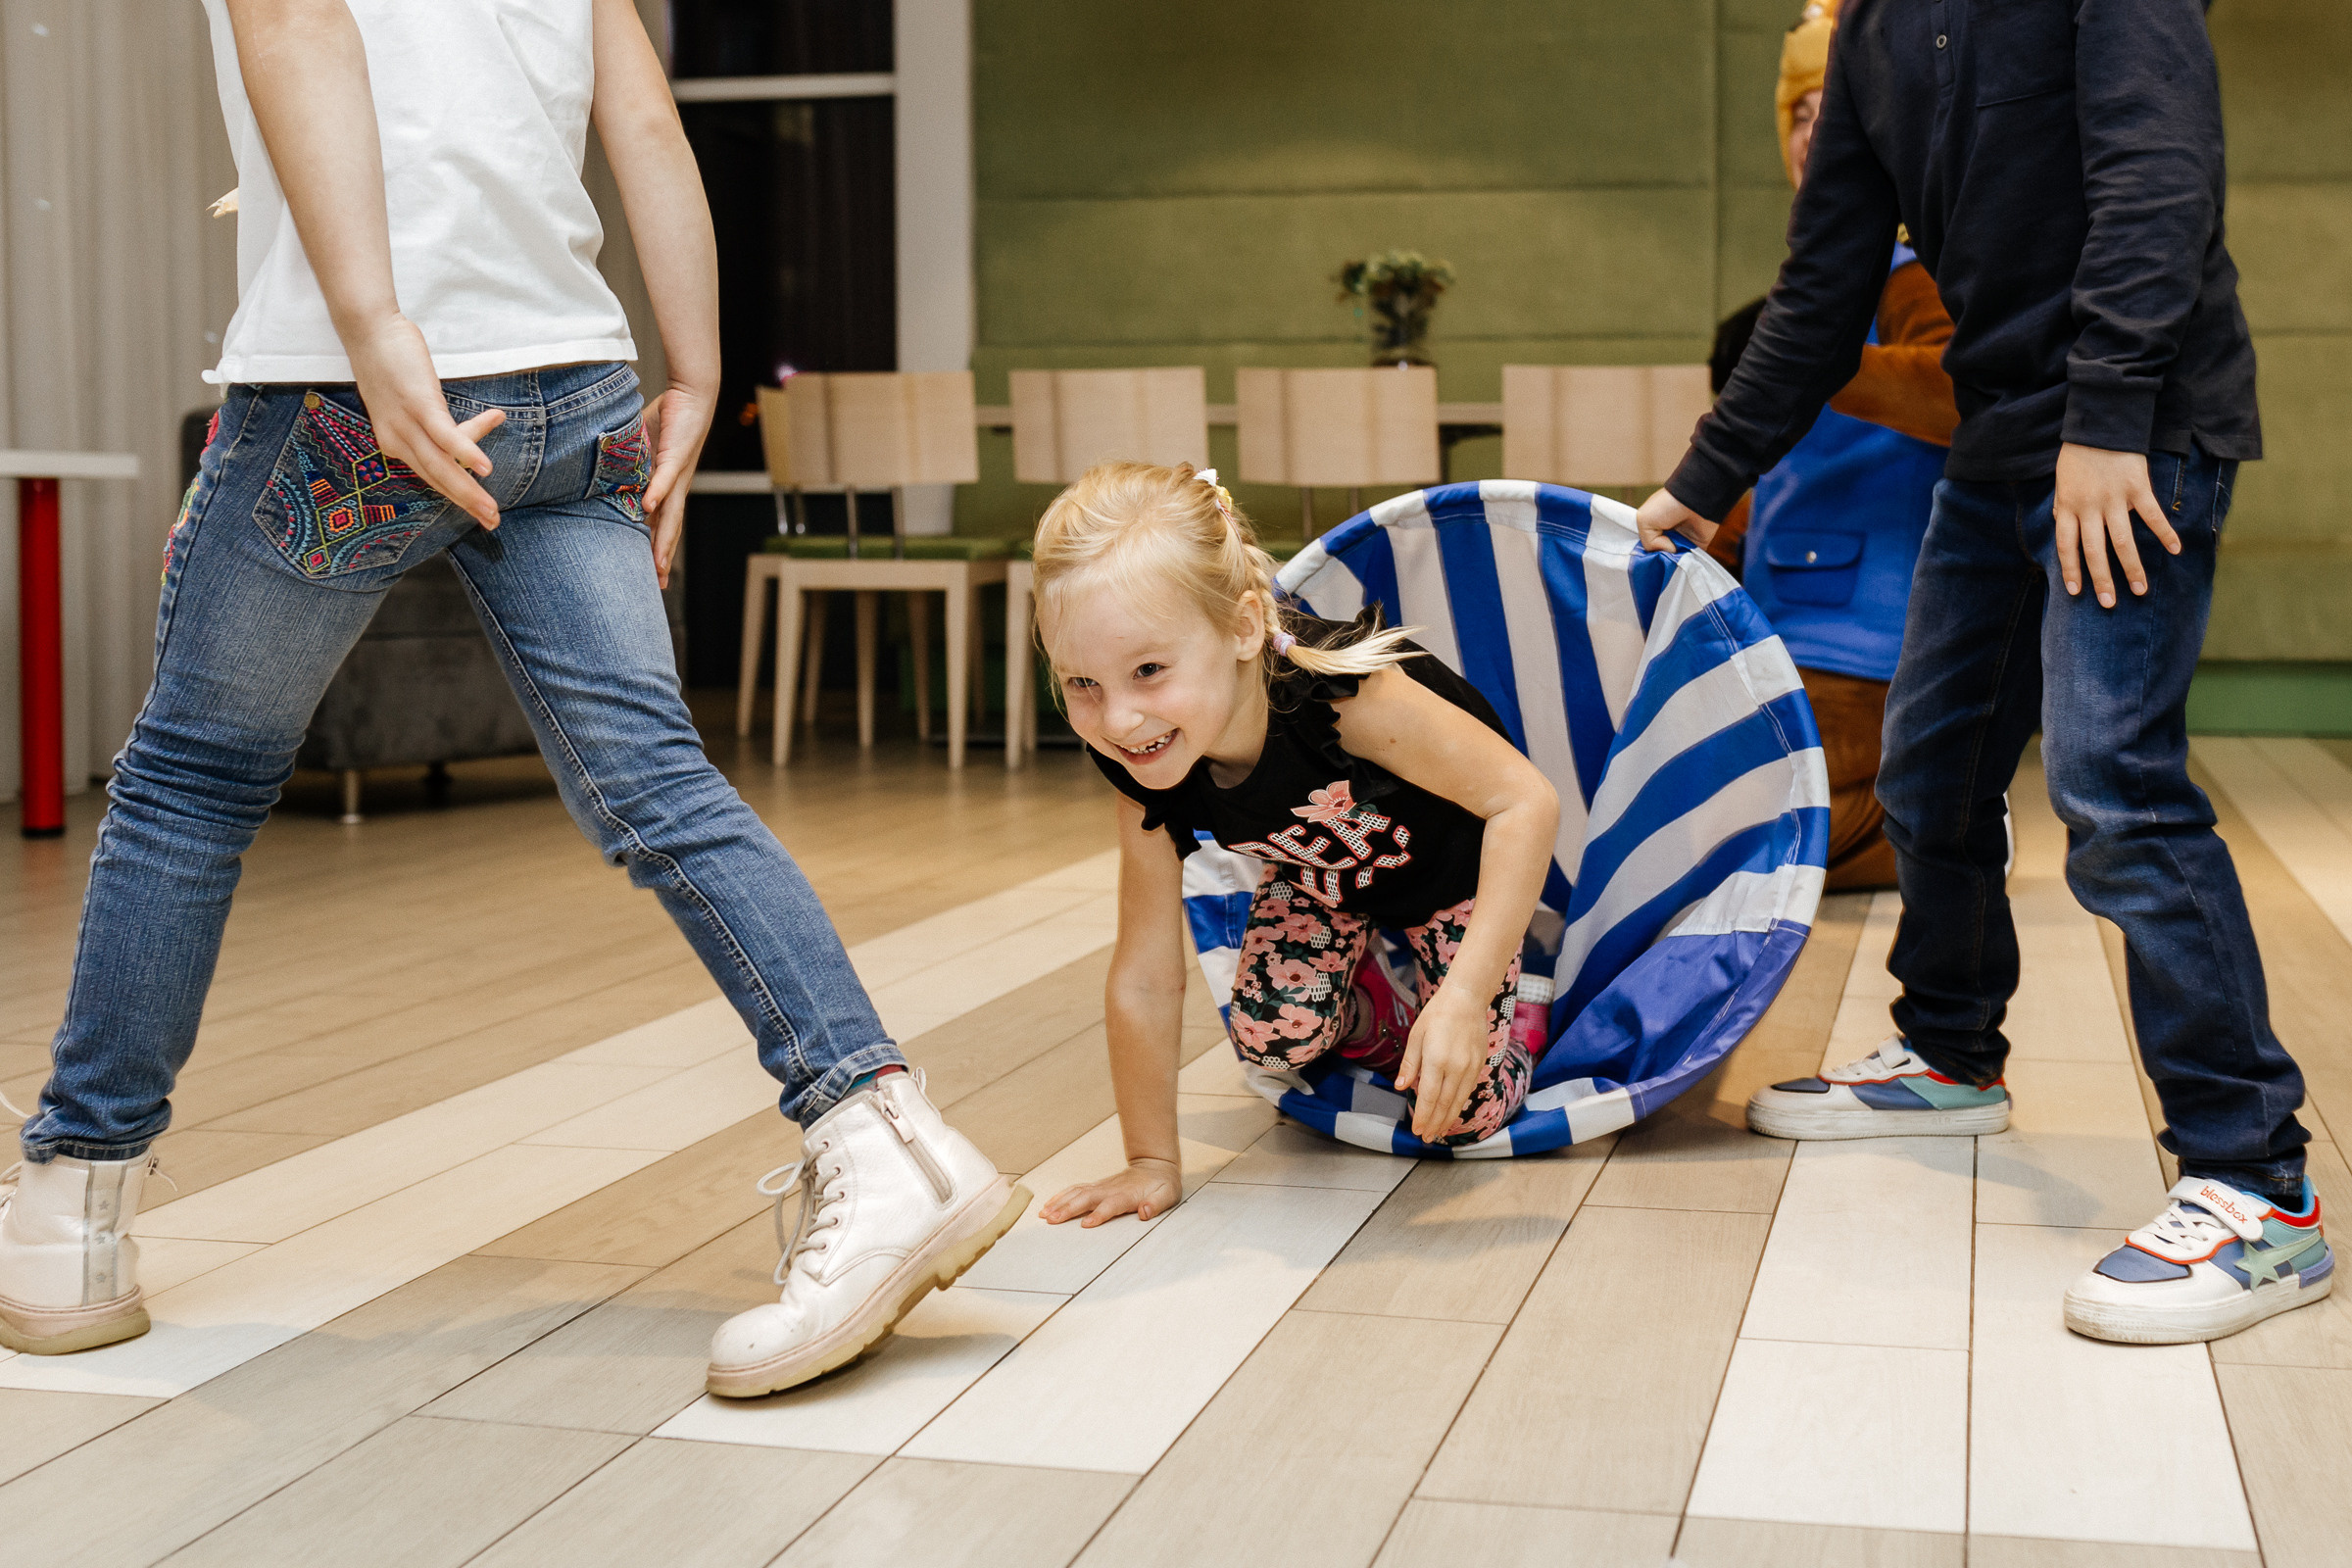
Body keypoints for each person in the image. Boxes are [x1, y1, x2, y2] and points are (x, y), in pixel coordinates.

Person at [0, 0, 1025, 1398]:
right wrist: (702, 368)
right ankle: (886, 1136)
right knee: (659, 783)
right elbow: (648, 125)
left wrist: (371, 325)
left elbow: (301, 26)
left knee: (190, 781)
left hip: (354, 394)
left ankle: (72, 1215)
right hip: (575, 384)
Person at [1637, 0, 2327, 1344]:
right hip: (2003, 440)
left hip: (2138, 435)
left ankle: (2258, 1183)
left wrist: (2112, 412)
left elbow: (2159, 179)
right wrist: (1700, 484)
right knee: (1928, 769)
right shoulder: (1873, 31)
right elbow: (1825, 283)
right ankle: (1953, 1050)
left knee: (2111, 785)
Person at [1025, 465, 1558, 1225]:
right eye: (1082, 683)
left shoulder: (1343, 697)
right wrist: (1150, 1160)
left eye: (1148, 670)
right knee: (1272, 1044)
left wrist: (1466, 999)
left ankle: (1516, 1016)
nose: (1119, 720)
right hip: (1324, 881)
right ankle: (1382, 1009)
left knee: (1460, 1114)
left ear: (1243, 627)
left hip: (1458, 881)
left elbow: (1525, 802)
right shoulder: (1138, 759)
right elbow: (1145, 970)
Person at [1703, 0, 1959, 892]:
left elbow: (1960, 393)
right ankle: (1926, 817)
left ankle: (1930, 826)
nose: (1815, 133)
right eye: (1800, 115)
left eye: (1832, 111)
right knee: (1695, 794)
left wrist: (1818, 357)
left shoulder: (1915, 265)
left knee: (1729, 827)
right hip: (1782, 618)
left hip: (1871, 630)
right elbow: (1780, 465)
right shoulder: (1827, 274)